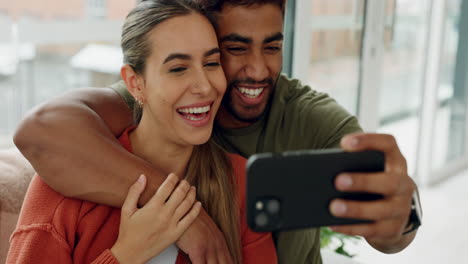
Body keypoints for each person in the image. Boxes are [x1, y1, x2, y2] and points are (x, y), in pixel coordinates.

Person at [13, 0, 419, 263]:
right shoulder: (84, 160)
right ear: (137, 84)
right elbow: (40, 131)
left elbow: (390, 212)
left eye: (273, 47)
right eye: (236, 49)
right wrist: (152, 238)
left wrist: (400, 217)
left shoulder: (249, 169)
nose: (258, 70)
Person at [6, 1, 277, 263]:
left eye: (211, 63)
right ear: (135, 84)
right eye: (178, 68)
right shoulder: (61, 187)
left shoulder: (241, 183)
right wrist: (125, 255)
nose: (205, 87)